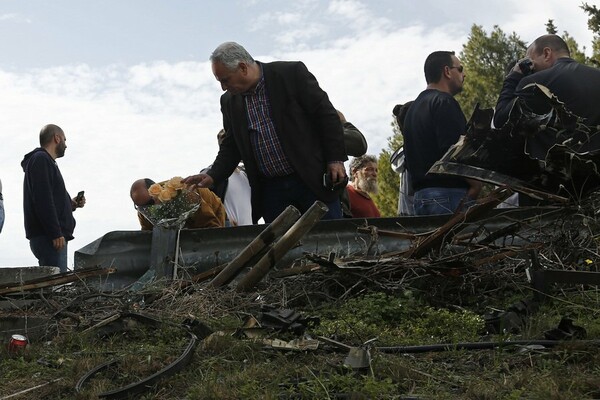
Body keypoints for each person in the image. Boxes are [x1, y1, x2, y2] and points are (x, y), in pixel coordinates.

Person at [182, 42, 348, 223]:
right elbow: (232, 145)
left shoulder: (291, 74)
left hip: (310, 180)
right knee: (281, 248)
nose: (223, 87)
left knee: (328, 241)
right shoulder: (229, 101)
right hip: (272, 192)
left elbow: (325, 115)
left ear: (243, 68)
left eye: (225, 80)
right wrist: (213, 175)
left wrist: (335, 160)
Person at [403, 51, 481, 216]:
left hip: (421, 198)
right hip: (448, 196)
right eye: (460, 69)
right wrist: (475, 184)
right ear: (447, 71)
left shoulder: (412, 110)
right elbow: (455, 150)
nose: (464, 74)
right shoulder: (444, 102)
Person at [494, 34, 600, 129]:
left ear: (546, 53)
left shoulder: (533, 83)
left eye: (529, 60)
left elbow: (501, 121)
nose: (531, 67)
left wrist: (513, 77)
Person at [21, 124, 85, 272]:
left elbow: (51, 197)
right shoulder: (41, 159)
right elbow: (43, 199)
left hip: (50, 236)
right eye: (64, 139)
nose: (66, 145)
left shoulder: (46, 162)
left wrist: (72, 204)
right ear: (57, 138)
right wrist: (55, 233)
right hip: (49, 237)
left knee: (55, 287)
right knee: (54, 288)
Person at [130, 178, 226, 230]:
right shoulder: (143, 210)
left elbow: (210, 224)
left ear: (157, 190)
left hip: (213, 211)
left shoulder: (183, 193)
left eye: (150, 203)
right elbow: (148, 234)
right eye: (141, 207)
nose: (148, 209)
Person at [202, 129, 253, 226]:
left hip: (250, 234)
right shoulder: (208, 174)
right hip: (227, 235)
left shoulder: (247, 174)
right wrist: (225, 221)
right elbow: (205, 208)